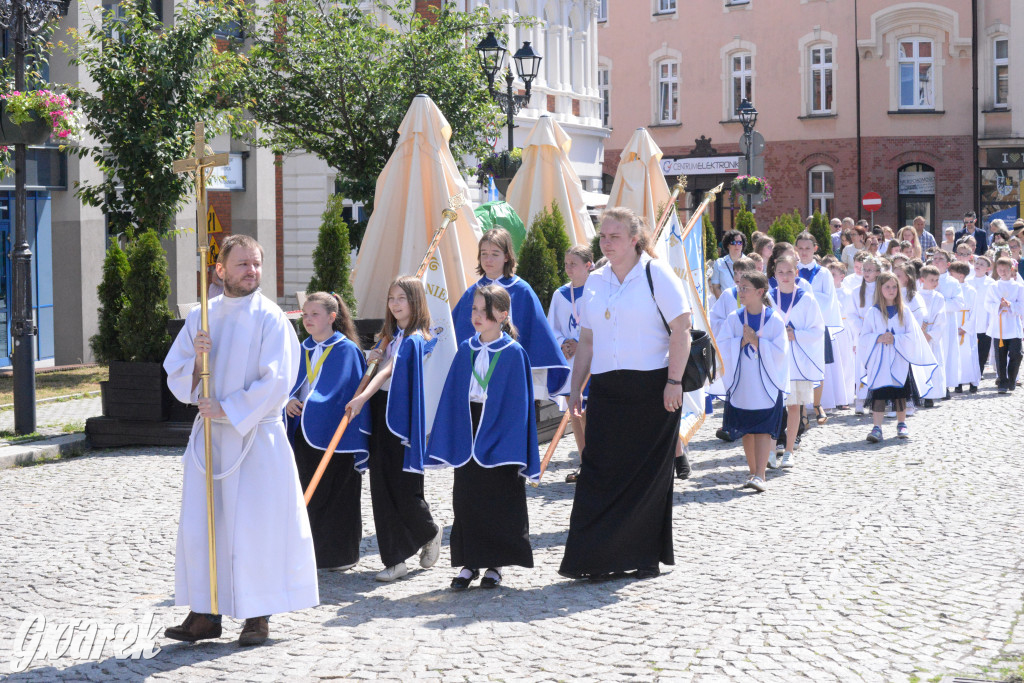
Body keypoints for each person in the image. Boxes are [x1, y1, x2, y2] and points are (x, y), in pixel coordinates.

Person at [162, 235, 317, 647]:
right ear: (220, 270)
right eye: (242, 264)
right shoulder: (203, 316)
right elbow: (176, 376)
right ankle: (205, 611)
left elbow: (278, 381)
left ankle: (256, 615)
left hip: (255, 439)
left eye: (256, 264)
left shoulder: (271, 319)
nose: (251, 271)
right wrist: (196, 359)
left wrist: (228, 409)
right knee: (203, 523)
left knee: (253, 528)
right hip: (210, 440)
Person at [559, 206, 692, 580]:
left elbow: (681, 328)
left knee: (647, 475)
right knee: (599, 472)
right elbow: (587, 338)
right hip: (606, 388)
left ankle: (645, 556)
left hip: (653, 387)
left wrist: (674, 381)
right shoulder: (596, 280)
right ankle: (596, 558)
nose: (606, 242)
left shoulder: (656, 273)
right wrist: (575, 388)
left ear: (635, 239)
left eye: (614, 236)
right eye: (602, 236)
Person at [427, 285, 538, 590]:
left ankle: (495, 565)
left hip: (501, 431)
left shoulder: (514, 353)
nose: (477, 316)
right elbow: (452, 395)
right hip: (468, 427)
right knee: (467, 498)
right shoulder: (466, 349)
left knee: (499, 499)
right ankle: (469, 563)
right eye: (474, 309)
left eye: (484, 310)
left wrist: (513, 443)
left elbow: (519, 404)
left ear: (502, 315)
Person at [345, 277, 443, 583]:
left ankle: (429, 530)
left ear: (415, 302)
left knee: (403, 486)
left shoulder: (415, 338)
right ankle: (395, 558)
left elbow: (390, 370)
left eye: (402, 298)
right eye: (391, 298)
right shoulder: (390, 336)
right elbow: (379, 365)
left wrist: (362, 396)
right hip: (380, 412)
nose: (395, 304)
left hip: (400, 418)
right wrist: (370, 356)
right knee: (380, 487)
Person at [286, 292, 370, 573]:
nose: (308, 320)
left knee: (338, 494)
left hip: (337, 436)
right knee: (309, 493)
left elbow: (342, 392)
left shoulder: (346, 350)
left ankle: (339, 555)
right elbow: (290, 383)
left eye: (315, 314)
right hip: (303, 433)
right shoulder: (302, 348)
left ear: (332, 317)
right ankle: (310, 554)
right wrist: (288, 401)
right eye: (305, 315)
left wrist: (314, 405)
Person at [452, 228, 568, 399]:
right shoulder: (472, 293)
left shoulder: (522, 291)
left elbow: (537, 334)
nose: (488, 259)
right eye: (484, 254)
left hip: (511, 372)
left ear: (506, 256)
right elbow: (455, 332)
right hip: (477, 376)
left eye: (495, 254)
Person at [717, 271, 788, 492]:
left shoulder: (774, 319)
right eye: (739, 287)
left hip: (765, 385)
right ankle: (752, 471)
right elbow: (722, 347)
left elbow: (781, 352)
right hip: (743, 384)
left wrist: (757, 341)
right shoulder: (733, 318)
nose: (740, 292)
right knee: (747, 429)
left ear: (760, 292)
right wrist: (740, 342)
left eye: (745, 288)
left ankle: (761, 474)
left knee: (763, 429)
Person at [857, 273, 937, 442]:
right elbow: (864, 337)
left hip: (900, 359)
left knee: (900, 393)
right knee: (879, 393)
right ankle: (877, 427)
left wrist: (896, 339)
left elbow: (913, 336)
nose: (891, 290)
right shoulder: (873, 312)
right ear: (880, 289)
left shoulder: (904, 311)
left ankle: (902, 423)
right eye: (887, 287)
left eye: (894, 287)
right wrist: (878, 338)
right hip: (880, 360)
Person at [768, 255, 823, 469]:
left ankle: (789, 450)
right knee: (773, 407)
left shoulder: (807, 299)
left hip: (798, 361)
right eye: (780, 272)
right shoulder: (768, 298)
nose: (785, 276)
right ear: (774, 275)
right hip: (775, 360)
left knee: (794, 407)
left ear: (796, 273)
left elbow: (818, 329)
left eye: (789, 272)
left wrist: (796, 334)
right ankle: (771, 451)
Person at [546, 245, 594, 483]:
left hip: (593, 364)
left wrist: (583, 343)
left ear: (588, 265)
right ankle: (585, 464)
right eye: (566, 264)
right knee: (575, 414)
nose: (567, 269)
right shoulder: (559, 294)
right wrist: (562, 342)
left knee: (590, 414)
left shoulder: (598, 291)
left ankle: (598, 464)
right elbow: (551, 327)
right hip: (569, 364)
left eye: (573, 264)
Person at [795, 232, 843, 424]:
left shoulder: (823, 273)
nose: (804, 252)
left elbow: (829, 299)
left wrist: (808, 296)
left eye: (808, 248)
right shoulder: (792, 271)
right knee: (798, 365)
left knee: (818, 364)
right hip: (798, 326)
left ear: (815, 249)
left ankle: (817, 403)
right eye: (800, 248)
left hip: (817, 325)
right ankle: (800, 407)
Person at [709, 256, 756, 442]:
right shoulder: (728, 295)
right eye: (735, 272)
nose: (738, 276)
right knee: (733, 386)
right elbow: (715, 318)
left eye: (743, 273)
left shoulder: (759, 295)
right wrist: (730, 325)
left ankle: (750, 425)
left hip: (752, 348)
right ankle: (729, 426)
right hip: (734, 347)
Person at [985, 257, 1024, 393]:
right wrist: (999, 306)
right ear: (997, 270)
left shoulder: (1018, 286)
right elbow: (987, 304)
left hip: (1013, 326)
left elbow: (1022, 305)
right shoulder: (993, 286)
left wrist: (1011, 305)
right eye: (1000, 270)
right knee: (1000, 356)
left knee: (1016, 354)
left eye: (1005, 270)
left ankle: (1012, 378)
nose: (1002, 272)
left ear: (1011, 269)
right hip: (999, 327)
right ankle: (1002, 382)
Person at [849, 255, 882, 414]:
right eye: (864, 269)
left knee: (877, 366)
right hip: (862, 333)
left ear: (877, 272)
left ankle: (877, 399)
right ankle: (861, 400)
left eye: (870, 270)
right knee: (861, 367)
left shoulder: (882, 289)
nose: (866, 272)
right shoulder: (856, 291)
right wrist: (862, 328)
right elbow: (851, 314)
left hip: (878, 333)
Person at [932, 250, 965, 398]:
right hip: (931, 323)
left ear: (948, 264)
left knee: (947, 353)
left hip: (947, 323)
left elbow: (959, 303)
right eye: (935, 259)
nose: (937, 261)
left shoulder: (952, 282)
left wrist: (940, 302)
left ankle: (944, 385)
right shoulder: (926, 278)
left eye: (940, 259)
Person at [826, 261, 856, 409]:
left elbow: (852, 314)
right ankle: (832, 396)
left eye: (833, 275)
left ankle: (846, 397)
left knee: (846, 363)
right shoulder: (826, 293)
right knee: (832, 364)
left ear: (842, 277)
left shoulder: (848, 293)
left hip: (844, 329)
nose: (830, 278)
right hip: (830, 330)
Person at [947, 261, 980, 393]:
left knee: (969, 354)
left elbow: (974, 312)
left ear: (961, 275)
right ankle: (958, 382)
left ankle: (973, 381)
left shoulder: (971, 290)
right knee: (957, 355)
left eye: (952, 274)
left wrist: (965, 328)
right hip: (954, 322)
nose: (949, 276)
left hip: (966, 326)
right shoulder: (951, 289)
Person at [917, 266, 947, 408]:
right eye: (931, 280)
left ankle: (930, 395)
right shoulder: (915, 295)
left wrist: (930, 335)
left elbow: (941, 318)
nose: (935, 283)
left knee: (933, 364)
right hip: (917, 334)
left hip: (931, 335)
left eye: (937, 280)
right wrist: (919, 331)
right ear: (922, 280)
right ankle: (917, 394)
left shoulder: (939, 297)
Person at [972, 256, 994, 377]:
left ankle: (979, 372)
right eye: (977, 263)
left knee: (983, 349)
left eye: (982, 264)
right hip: (972, 320)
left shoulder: (991, 283)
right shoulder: (968, 281)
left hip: (985, 319)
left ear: (987, 269)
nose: (978, 265)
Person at [711, 230, 747, 298]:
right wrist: (724, 303)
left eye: (739, 242)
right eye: (733, 242)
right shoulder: (719, 263)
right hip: (726, 303)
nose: (737, 245)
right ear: (727, 245)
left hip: (745, 304)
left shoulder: (749, 262)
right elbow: (716, 287)